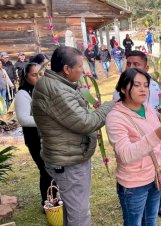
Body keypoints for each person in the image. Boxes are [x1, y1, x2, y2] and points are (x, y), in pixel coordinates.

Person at [31, 46, 114, 226]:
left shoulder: (56, 84)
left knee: (72, 208)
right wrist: (110, 105)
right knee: (79, 214)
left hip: (66, 156)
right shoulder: (57, 90)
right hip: (68, 162)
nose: (83, 71)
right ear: (67, 69)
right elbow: (85, 122)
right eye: (80, 66)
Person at [106, 68, 161, 226]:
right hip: (134, 184)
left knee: (151, 221)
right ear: (124, 89)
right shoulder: (115, 117)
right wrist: (156, 135)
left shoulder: (147, 109)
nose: (143, 89)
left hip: (154, 176)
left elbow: (159, 141)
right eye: (137, 85)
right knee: (134, 223)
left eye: (146, 85)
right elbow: (125, 154)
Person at [14, 63, 53, 209]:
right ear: (26, 76)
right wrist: (48, 120)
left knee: (53, 169)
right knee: (45, 169)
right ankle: (48, 203)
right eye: (34, 75)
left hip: (49, 136)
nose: (38, 77)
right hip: (35, 138)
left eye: (40, 74)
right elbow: (23, 119)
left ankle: (55, 200)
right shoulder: (23, 94)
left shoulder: (45, 90)